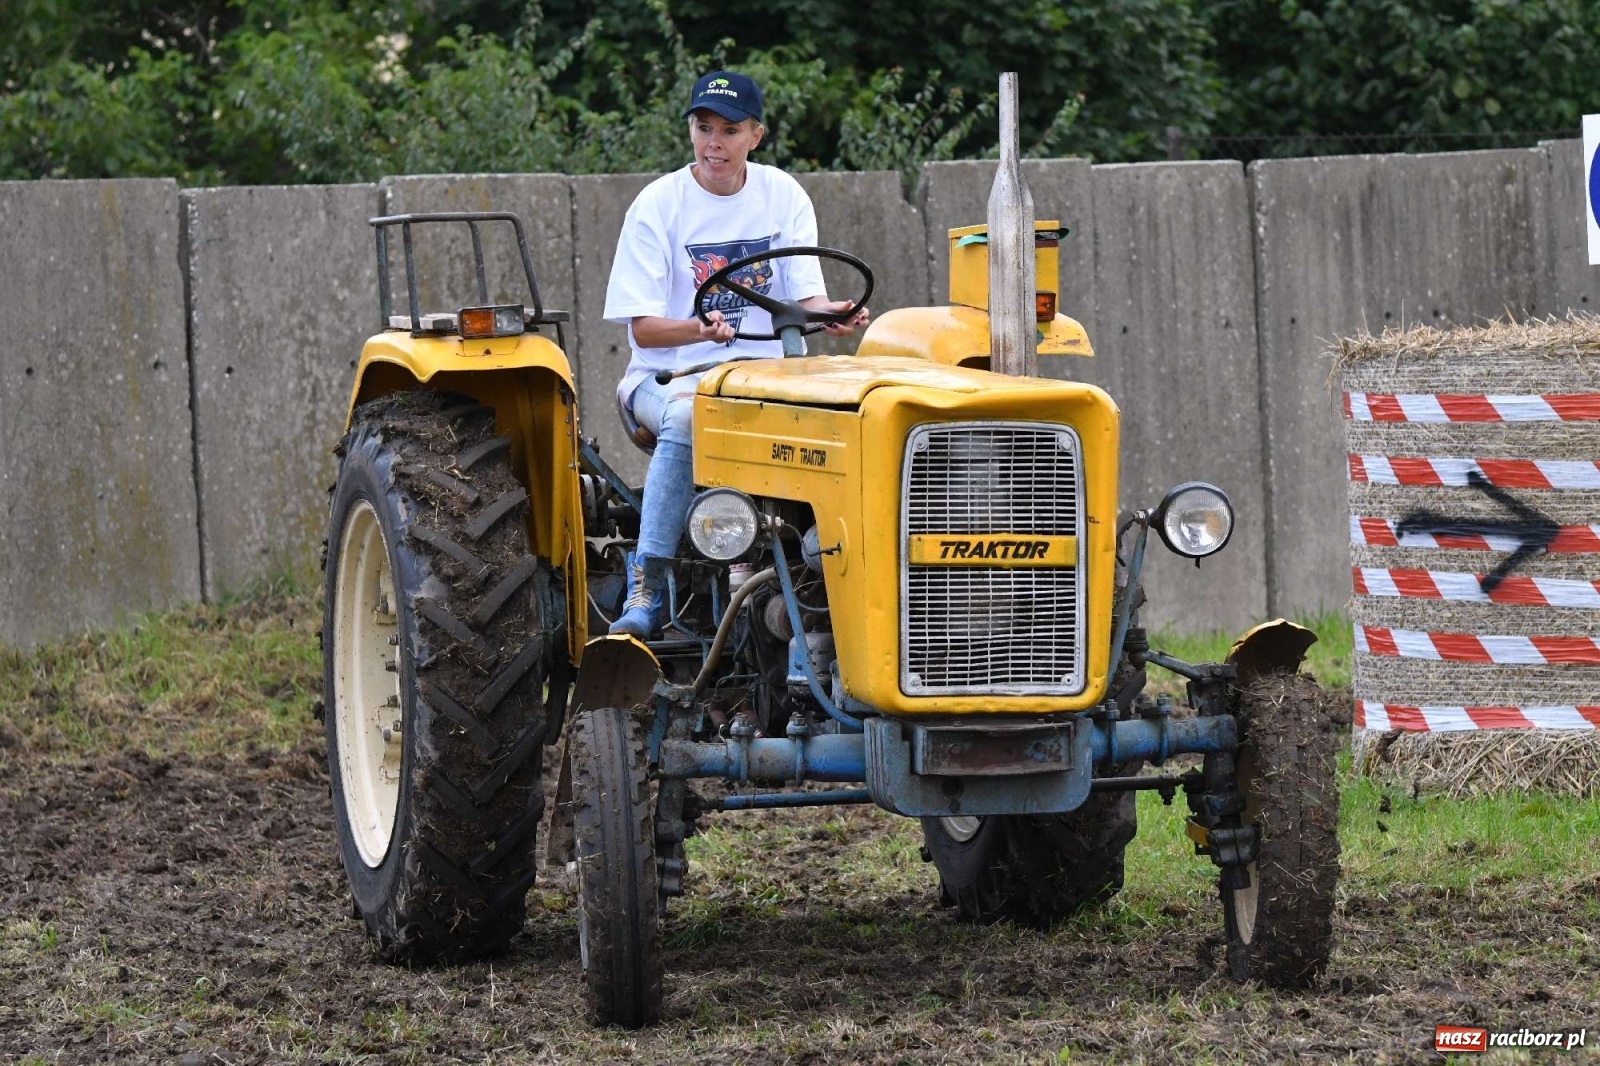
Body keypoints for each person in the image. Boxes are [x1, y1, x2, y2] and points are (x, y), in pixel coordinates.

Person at [602, 70, 869, 637]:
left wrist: (833, 315)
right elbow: (644, 331)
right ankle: (648, 582)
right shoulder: (658, 205)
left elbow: (806, 298)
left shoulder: (782, 194)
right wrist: (699, 331)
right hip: (670, 376)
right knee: (689, 413)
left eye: (729, 130)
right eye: (704, 128)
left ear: (756, 135)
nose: (714, 144)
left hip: (764, 378)